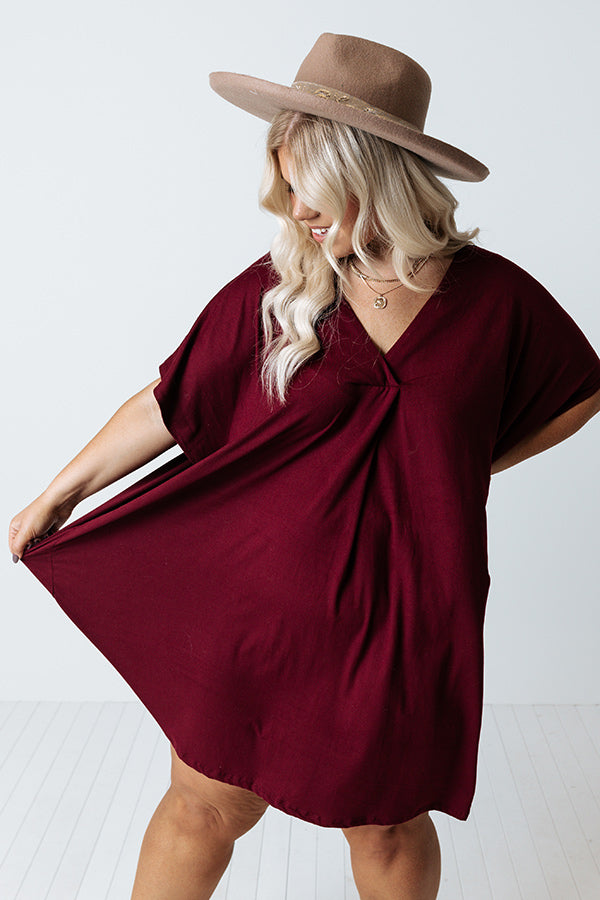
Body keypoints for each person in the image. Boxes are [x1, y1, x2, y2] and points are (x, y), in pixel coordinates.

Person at [8, 32, 600, 900]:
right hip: (260, 610)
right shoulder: (278, 293)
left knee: (389, 825)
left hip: (406, 616)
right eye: (283, 183)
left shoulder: (497, 303)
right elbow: (168, 405)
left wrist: (458, 465)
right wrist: (54, 495)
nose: (290, 208)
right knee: (204, 806)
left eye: (305, 184)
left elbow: (579, 393)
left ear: (373, 173)